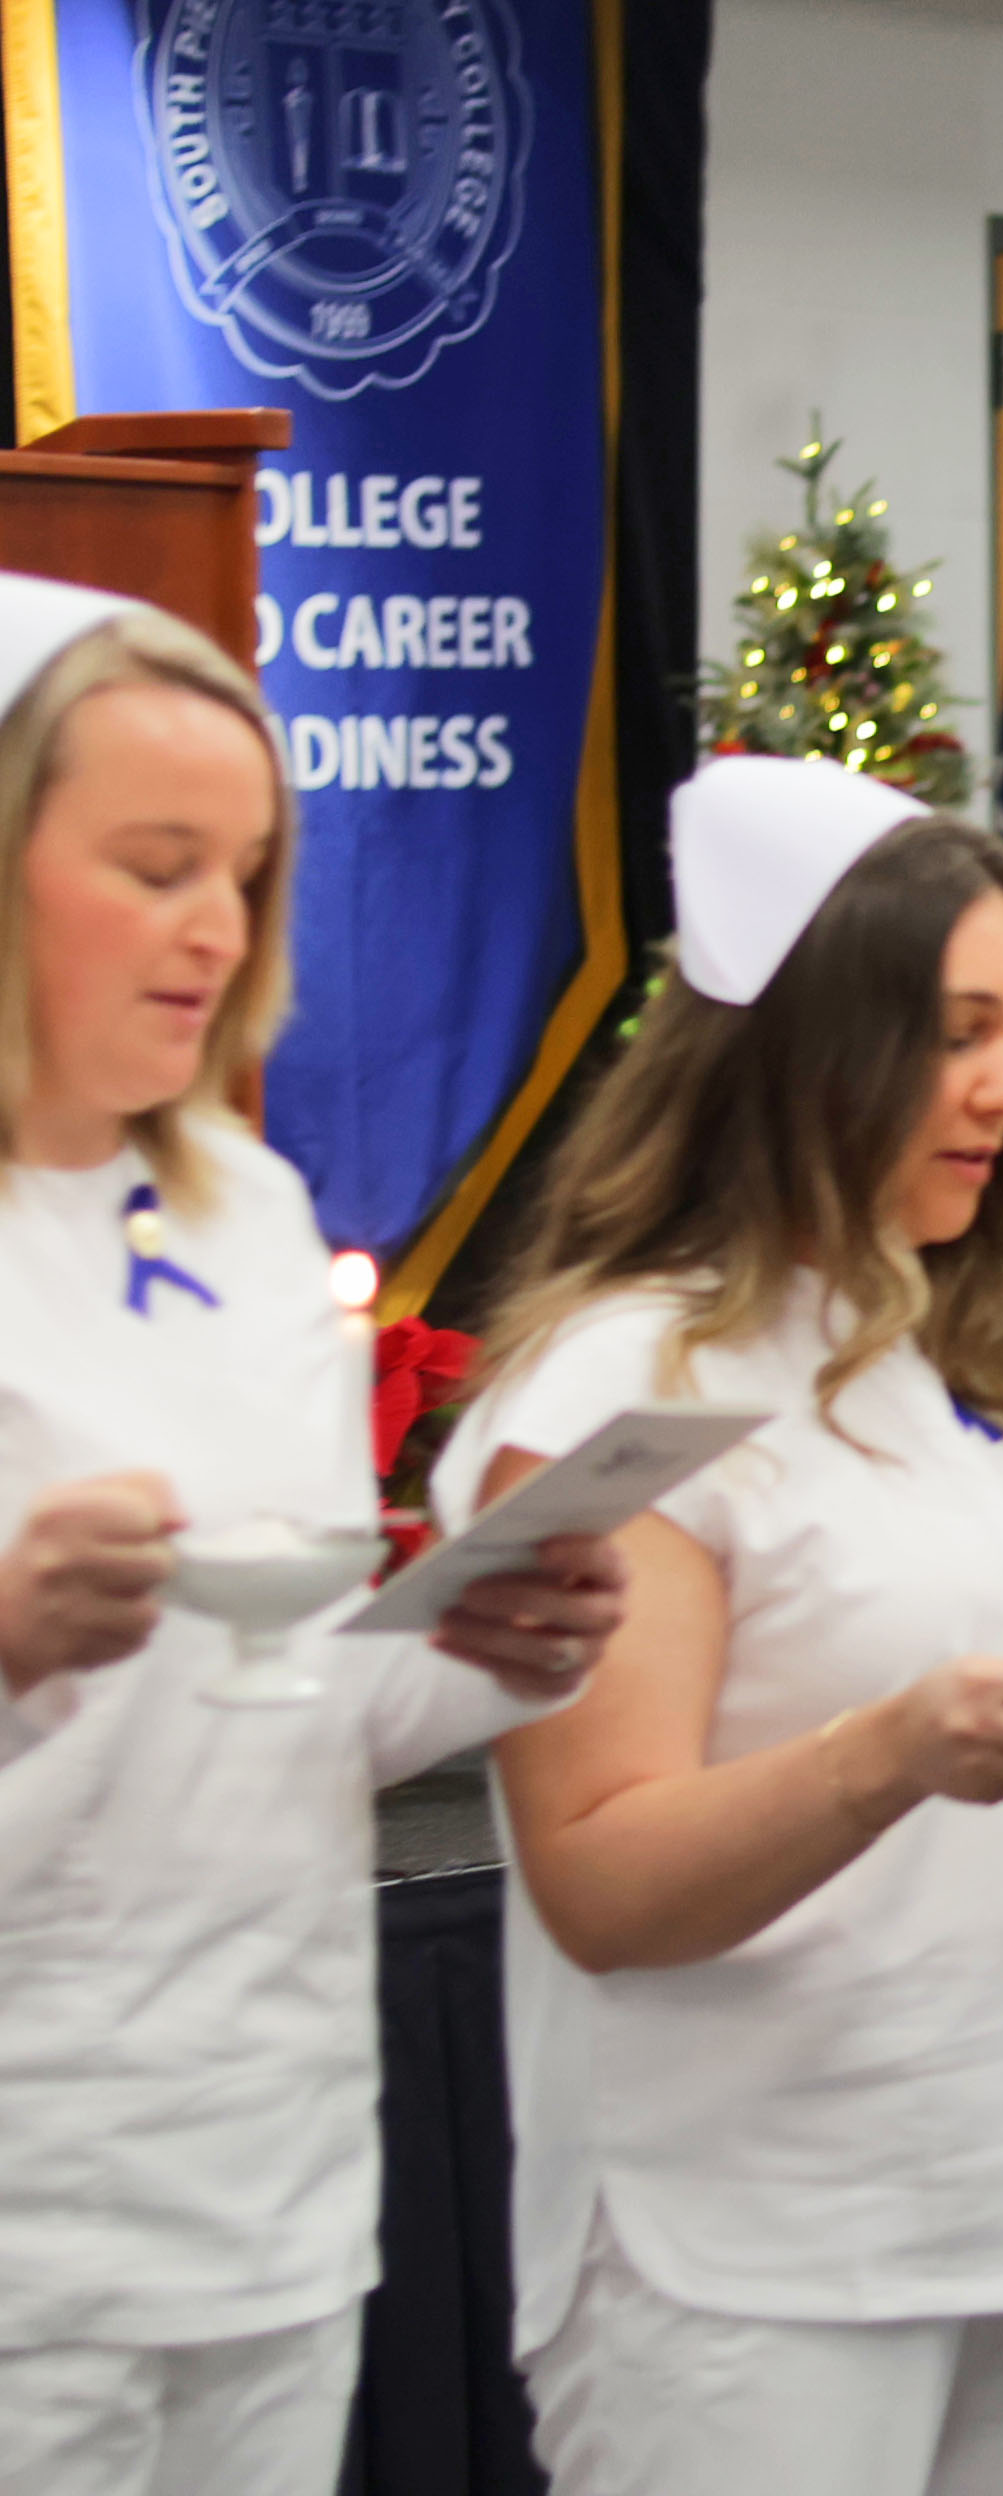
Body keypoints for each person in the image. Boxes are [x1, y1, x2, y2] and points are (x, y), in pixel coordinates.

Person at [448, 757, 1003, 2496]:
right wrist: (890, 1754)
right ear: (796, 1046)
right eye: (955, 1033)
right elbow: (604, 1881)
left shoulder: (989, 1370)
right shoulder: (627, 1386)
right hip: (752, 2253)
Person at [0, 575, 626, 2496]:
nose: (215, 928)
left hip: (268, 2171)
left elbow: (283, 1716)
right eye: (157, 863)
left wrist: (479, 1648)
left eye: (249, 875)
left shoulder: (255, 1223)